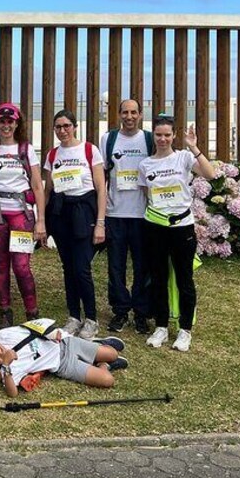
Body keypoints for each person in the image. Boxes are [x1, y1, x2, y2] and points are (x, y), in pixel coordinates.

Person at [139, 118, 216, 352]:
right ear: (153, 136)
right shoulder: (145, 165)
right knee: (159, 278)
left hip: (182, 227)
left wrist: (194, 147)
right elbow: (147, 194)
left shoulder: (183, 157)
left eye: (167, 135)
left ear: (173, 136)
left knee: (184, 279)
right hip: (155, 227)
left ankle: (185, 330)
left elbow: (210, 174)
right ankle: (161, 326)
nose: (162, 139)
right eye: (158, 135)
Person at [0, 103, 46, 330]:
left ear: (17, 123)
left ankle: (32, 311)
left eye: (10, 121)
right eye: (1, 121)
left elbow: (37, 185)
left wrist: (41, 221)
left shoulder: (26, 149)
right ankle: (5, 310)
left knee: (22, 266)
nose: (6, 125)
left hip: (21, 215)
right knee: (0, 264)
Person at [43, 109, 107, 340]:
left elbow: (101, 189)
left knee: (82, 268)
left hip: (85, 213)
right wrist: (42, 220)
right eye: (58, 127)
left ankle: (91, 318)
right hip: (61, 214)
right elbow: (47, 191)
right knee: (68, 268)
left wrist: (100, 223)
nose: (62, 131)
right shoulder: (52, 155)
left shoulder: (90, 150)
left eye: (66, 126)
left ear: (74, 126)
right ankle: (73, 316)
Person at [99, 99, 155, 334]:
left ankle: (141, 312)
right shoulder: (108, 139)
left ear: (140, 115)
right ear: (119, 114)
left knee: (143, 266)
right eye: (125, 112)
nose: (129, 116)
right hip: (115, 213)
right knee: (116, 266)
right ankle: (120, 310)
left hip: (143, 215)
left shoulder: (149, 139)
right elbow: (100, 175)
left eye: (134, 112)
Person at [0, 320, 128, 397]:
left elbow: (31, 327)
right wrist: (7, 365)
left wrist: (51, 333)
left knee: (113, 353)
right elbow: (13, 394)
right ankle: (104, 365)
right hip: (62, 364)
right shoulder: (7, 369)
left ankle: (99, 345)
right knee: (108, 380)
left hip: (65, 342)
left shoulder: (4, 335)